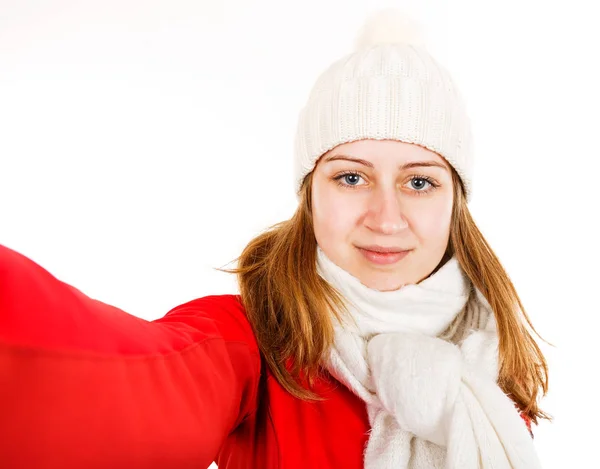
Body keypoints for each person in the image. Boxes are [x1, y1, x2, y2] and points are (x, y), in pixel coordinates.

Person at [0, 9, 549, 469]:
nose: (386, 217)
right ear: (310, 194)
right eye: (351, 177)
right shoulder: (251, 344)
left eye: (420, 181)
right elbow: (110, 384)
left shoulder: (488, 365)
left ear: (455, 200)